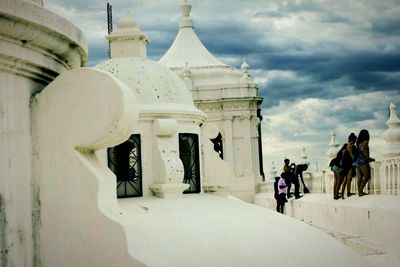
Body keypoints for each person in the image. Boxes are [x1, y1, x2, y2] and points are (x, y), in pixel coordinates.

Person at [354, 129, 375, 196]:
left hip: (357, 161)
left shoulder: (358, 143)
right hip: (363, 161)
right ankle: (360, 191)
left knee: (360, 177)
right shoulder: (365, 142)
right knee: (367, 176)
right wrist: (368, 158)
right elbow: (363, 150)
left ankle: (359, 191)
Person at [339, 133, 357, 198]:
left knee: (346, 179)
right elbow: (351, 155)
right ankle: (348, 193)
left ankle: (342, 192)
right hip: (348, 164)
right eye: (355, 140)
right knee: (348, 179)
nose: (355, 141)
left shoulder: (349, 145)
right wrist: (355, 161)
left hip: (345, 164)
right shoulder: (350, 145)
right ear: (352, 140)